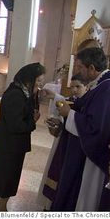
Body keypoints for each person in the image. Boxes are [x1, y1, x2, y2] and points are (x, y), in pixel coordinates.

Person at [52, 47, 110, 211]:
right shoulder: (101, 84)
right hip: (85, 151)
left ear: (92, 68)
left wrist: (69, 114)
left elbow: (95, 128)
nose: (77, 71)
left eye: (80, 67)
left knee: (87, 198)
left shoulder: (108, 88)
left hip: (95, 159)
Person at [0, 62, 45, 211]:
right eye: (38, 81)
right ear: (29, 78)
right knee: (8, 177)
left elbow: (32, 110)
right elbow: (16, 125)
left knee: (2, 173)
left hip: (12, 143)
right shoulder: (16, 94)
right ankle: (2, 208)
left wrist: (35, 95)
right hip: (9, 143)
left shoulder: (25, 92)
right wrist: (32, 122)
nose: (40, 84)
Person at [36, 74, 88, 210]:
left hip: (74, 147)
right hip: (63, 141)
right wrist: (56, 122)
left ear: (87, 87)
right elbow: (64, 106)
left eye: (78, 87)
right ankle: (50, 202)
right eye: (72, 87)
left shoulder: (88, 104)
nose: (74, 90)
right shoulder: (73, 100)